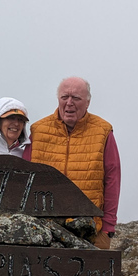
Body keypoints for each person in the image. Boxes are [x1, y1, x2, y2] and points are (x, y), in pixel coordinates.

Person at [23, 77, 121, 249]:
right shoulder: (38, 131)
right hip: (44, 230)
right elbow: (23, 178)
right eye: (64, 97)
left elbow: (112, 179)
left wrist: (107, 228)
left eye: (76, 98)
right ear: (58, 99)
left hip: (91, 230)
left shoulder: (103, 132)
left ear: (88, 103)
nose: (69, 103)